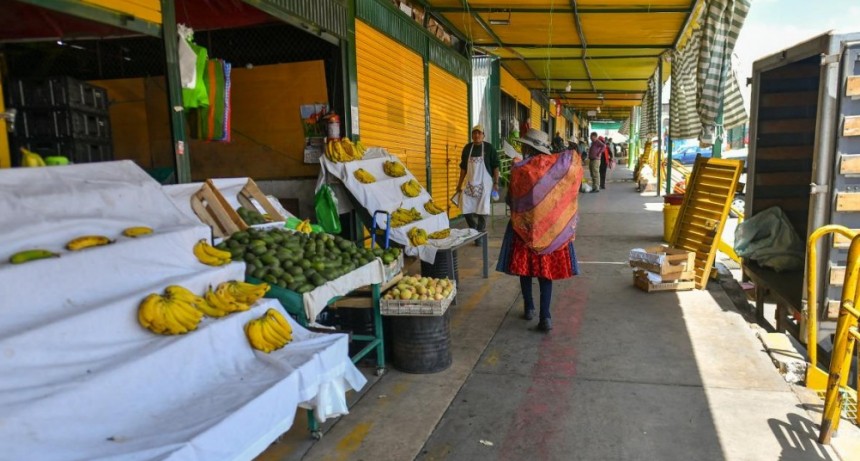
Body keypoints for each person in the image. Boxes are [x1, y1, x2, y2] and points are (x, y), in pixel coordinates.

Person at [496, 128, 582, 332]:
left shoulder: (520, 169)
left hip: (524, 230)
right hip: (552, 230)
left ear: (528, 147)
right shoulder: (559, 168)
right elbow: (570, 188)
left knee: (525, 272)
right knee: (546, 275)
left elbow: (510, 199)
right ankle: (546, 317)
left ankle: (529, 308)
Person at [456, 124, 500, 237]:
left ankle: (479, 234)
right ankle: (473, 227)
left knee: (483, 209)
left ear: (483, 135)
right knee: (464, 206)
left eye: (479, 133)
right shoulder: (467, 148)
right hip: (470, 183)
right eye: (474, 133)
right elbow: (463, 169)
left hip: (485, 183)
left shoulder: (489, 148)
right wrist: (459, 184)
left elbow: (496, 166)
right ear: (472, 135)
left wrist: (496, 182)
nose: (476, 135)